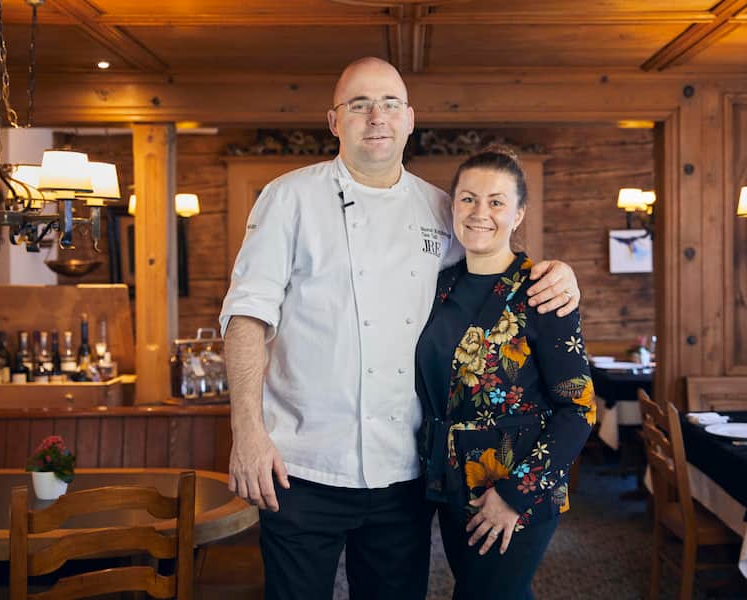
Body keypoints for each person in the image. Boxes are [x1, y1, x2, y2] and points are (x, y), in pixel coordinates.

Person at [219, 57, 581, 600]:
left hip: (405, 471)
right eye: (358, 105)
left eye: (389, 104)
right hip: (301, 464)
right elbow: (247, 316)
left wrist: (557, 272)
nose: (376, 117)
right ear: (334, 121)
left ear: (410, 119)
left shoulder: (440, 208)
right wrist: (247, 432)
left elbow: (496, 265)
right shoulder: (287, 198)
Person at [416, 147, 596, 600]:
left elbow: (578, 409)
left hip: (517, 490)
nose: (481, 213)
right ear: (452, 207)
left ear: (518, 215)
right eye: (469, 199)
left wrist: (514, 495)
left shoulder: (543, 291)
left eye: (496, 201)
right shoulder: (437, 286)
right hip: (449, 485)